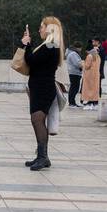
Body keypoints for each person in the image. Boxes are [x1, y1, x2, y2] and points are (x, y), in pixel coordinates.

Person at [20, 16, 64, 171]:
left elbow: (31, 61)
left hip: (43, 89)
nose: (39, 29)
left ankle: (42, 157)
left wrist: (26, 44)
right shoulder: (49, 45)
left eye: (41, 27)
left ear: (50, 29)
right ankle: (42, 156)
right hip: (41, 87)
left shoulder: (51, 45)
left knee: (37, 120)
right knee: (38, 121)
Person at [81, 42, 101, 109]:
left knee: (88, 89)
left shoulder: (90, 56)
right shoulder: (98, 57)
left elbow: (87, 66)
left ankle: (89, 103)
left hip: (89, 75)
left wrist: (82, 63)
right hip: (96, 75)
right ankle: (94, 103)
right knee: (94, 89)